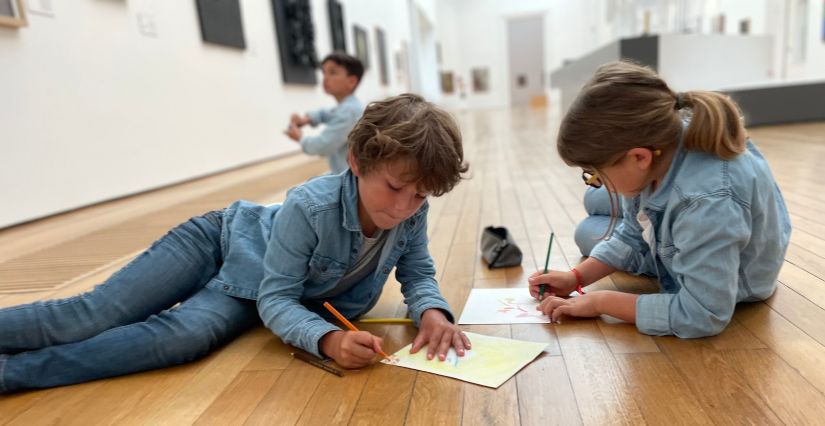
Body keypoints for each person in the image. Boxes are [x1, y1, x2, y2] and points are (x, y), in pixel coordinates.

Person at [0, 93, 470, 393]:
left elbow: (418, 273)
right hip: (219, 242)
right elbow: (278, 295)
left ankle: (11, 375)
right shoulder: (311, 205)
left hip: (254, 290)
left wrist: (431, 312)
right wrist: (327, 340)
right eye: (395, 187)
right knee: (92, 314)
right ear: (356, 160)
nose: (407, 206)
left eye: (421, 195)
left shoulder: (412, 212)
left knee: (185, 336)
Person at [528, 61, 791, 338]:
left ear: (638, 157)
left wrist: (600, 301)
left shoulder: (705, 203)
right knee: (595, 203)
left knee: (588, 228)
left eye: (595, 173)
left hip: (726, 262)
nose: (596, 180)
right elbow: (632, 234)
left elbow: (702, 314)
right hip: (681, 221)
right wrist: (576, 278)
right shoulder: (660, 143)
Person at [286, 52, 365, 174]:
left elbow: (322, 146)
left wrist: (299, 137)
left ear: (352, 81)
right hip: (343, 172)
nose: (325, 78)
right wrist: (306, 119)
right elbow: (326, 113)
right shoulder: (347, 107)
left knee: (302, 190)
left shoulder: (349, 111)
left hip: (350, 180)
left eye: (333, 73)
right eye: (324, 72)